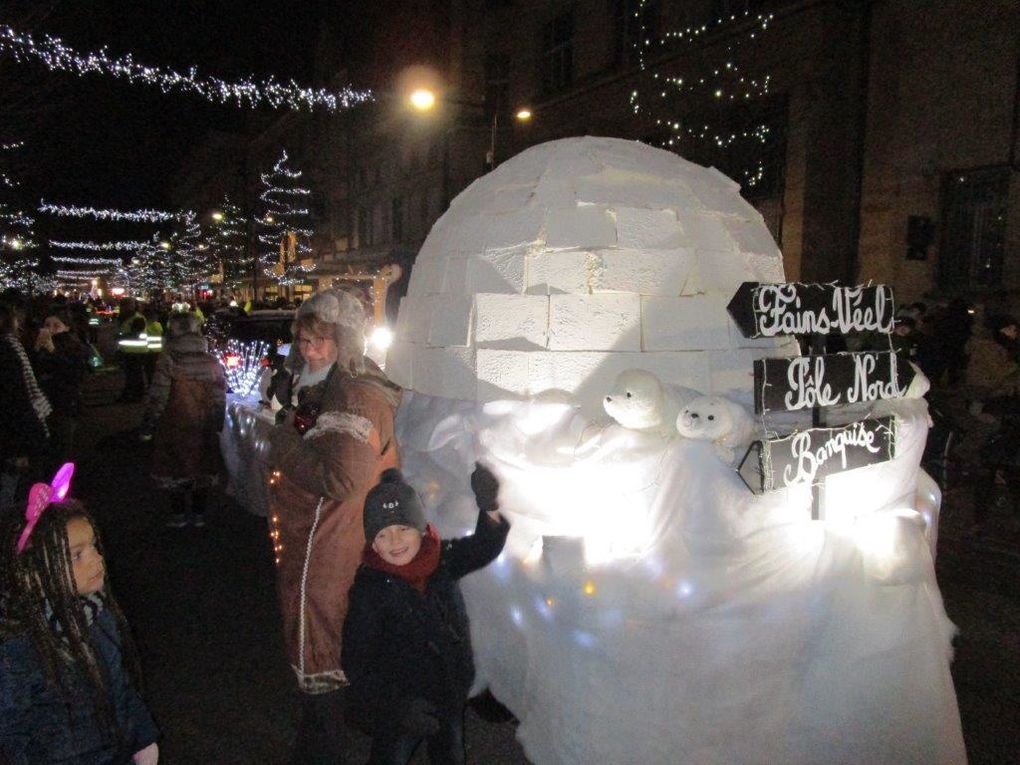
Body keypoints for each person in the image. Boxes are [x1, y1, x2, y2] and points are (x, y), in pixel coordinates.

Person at [268, 288, 403, 764]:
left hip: (327, 545)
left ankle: (323, 748)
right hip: (321, 540)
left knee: (320, 641)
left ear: (343, 342)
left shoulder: (353, 395)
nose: (308, 351)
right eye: (303, 341)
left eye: (319, 341)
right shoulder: (332, 386)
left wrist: (282, 442)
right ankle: (328, 733)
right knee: (331, 638)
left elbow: (342, 479)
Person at [342, 465, 510, 765]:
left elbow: (483, 547)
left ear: (420, 528)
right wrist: (397, 709)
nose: (394, 542)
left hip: (448, 694)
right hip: (402, 707)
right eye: (383, 534)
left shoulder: (440, 561)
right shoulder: (370, 592)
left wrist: (489, 506)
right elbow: (357, 663)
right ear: (372, 543)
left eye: (403, 528)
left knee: (450, 755)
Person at [0, 472, 160, 763]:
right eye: (76, 555)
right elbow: (10, 728)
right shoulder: (18, 647)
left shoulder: (99, 614)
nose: (97, 559)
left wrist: (143, 737)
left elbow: (120, 683)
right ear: (35, 573)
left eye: (94, 547)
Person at [141, 313, 226, 528]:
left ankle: (178, 514)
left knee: (174, 467)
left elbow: (159, 395)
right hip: (203, 422)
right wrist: (218, 421)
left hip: (174, 421)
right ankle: (198, 513)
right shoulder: (210, 361)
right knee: (203, 466)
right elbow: (219, 395)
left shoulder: (168, 359)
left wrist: (150, 420)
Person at [0, 301, 51, 507]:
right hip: (11, 436)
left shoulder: (12, 346)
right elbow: (16, 397)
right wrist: (20, 446)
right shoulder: (7, 348)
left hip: (11, 432)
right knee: (11, 490)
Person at [33, 306, 91, 472]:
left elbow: (75, 374)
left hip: (64, 404)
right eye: (47, 324)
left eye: (56, 325)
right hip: (42, 405)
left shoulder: (75, 347)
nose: (50, 329)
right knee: (43, 450)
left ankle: (57, 490)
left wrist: (52, 351)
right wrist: (36, 350)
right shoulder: (38, 344)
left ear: (67, 327)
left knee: (60, 449)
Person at [116, 298, 148, 403]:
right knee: (131, 374)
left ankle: (136, 394)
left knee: (135, 375)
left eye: (125, 305)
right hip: (128, 350)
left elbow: (135, 334)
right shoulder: (126, 317)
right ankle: (132, 393)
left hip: (137, 351)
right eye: (122, 305)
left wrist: (120, 337)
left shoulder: (137, 318)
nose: (123, 308)